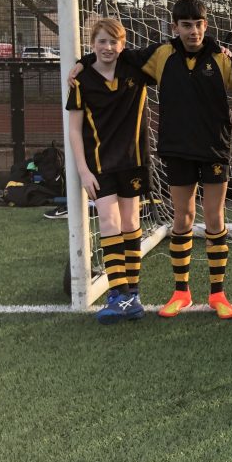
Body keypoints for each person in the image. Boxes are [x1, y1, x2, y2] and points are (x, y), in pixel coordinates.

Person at [71, 0, 232, 319]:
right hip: (176, 150)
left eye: (199, 24)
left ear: (206, 25)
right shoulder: (161, 55)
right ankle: (181, 292)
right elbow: (117, 53)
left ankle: (218, 293)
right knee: (183, 219)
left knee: (216, 220)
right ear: (175, 27)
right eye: (186, 25)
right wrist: (83, 59)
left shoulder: (220, 57)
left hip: (214, 148)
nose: (193, 31)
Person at [66, 18, 150, 324]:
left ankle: (133, 294)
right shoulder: (81, 80)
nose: (108, 47)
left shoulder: (136, 71)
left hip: (133, 160)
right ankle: (118, 293)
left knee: (130, 222)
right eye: (101, 41)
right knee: (107, 219)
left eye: (114, 41)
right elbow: (75, 131)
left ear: (123, 45)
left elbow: (155, 53)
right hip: (99, 165)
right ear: (92, 44)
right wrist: (83, 171)